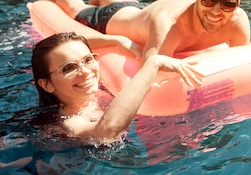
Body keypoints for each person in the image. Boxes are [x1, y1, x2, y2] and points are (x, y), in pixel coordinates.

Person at [40, 0, 251, 81]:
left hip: (141, 12)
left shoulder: (238, 22)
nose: (215, 11)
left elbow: (246, 62)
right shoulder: (169, 24)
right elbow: (149, 70)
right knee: (79, 9)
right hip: (112, 19)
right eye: (208, 0)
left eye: (227, 4)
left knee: (126, 4)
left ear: (238, 3)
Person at [31, 32, 201, 143]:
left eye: (88, 60)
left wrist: (115, 39)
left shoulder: (103, 94)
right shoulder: (65, 124)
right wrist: (153, 64)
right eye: (69, 68)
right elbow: (106, 132)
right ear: (47, 84)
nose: (84, 72)